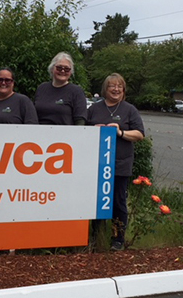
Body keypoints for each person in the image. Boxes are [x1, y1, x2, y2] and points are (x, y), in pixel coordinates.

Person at [87, 73, 145, 251]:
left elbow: (140, 134)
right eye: (112, 86)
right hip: (97, 164)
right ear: (105, 89)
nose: (116, 89)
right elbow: (82, 131)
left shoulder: (129, 109)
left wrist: (121, 132)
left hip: (119, 164)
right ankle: (97, 237)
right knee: (97, 201)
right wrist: (92, 130)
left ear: (124, 89)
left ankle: (117, 239)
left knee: (118, 202)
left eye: (119, 86)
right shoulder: (94, 109)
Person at [34, 52, 87, 125]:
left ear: (71, 72)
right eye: (59, 68)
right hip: (40, 134)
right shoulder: (41, 88)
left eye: (66, 69)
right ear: (52, 68)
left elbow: (80, 120)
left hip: (66, 135)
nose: (62, 71)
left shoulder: (76, 91)